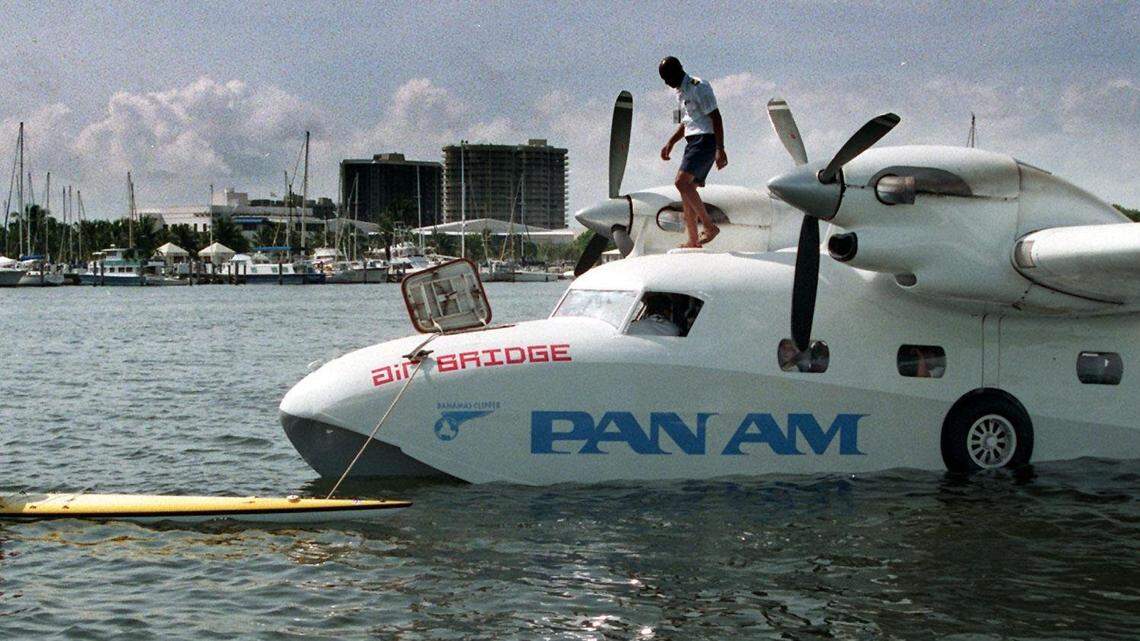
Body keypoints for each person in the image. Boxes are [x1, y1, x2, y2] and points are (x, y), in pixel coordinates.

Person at [658, 56, 727, 248]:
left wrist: (721, 149)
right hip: (692, 141)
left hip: (705, 139)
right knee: (687, 191)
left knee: (681, 183)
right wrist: (670, 143)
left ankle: (709, 226)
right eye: (664, 79)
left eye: (669, 77)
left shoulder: (699, 86)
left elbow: (716, 117)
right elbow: (684, 124)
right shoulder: (678, 95)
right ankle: (693, 240)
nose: (667, 82)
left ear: (679, 69)